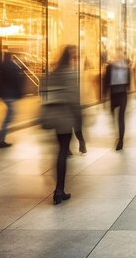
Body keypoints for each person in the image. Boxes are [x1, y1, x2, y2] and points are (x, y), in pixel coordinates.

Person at [46, 45, 81, 204]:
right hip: (66, 118)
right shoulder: (70, 73)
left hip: (55, 117)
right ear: (70, 57)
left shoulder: (55, 72)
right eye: (75, 56)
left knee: (61, 150)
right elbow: (74, 100)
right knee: (63, 152)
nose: (76, 59)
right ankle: (59, 190)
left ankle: (59, 189)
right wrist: (79, 122)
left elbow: (46, 94)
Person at [0, 52, 25, 149]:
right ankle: (0, 139)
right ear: (11, 57)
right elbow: (17, 80)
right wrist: (20, 93)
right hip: (10, 94)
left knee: (10, 115)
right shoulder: (12, 66)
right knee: (9, 116)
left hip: (5, 94)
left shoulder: (3, 65)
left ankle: (0, 138)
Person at [104, 52, 130, 151]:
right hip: (123, 94)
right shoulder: (126, 67)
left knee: (113, 117)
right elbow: (128, 83)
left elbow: (106, 82)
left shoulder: (110, 67)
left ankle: (116, 135)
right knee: (121, 118)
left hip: (113, 94)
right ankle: (120, 140)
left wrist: (104, 96)